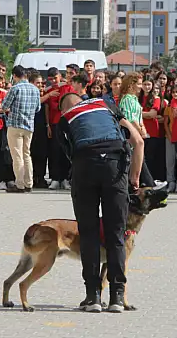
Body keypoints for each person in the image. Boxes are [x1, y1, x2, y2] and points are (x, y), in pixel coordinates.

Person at [56, 93, 144, 313]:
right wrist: (134, 176)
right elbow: (139, 141)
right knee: (116, 234)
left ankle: (92, 296)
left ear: (63, 109)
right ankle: (116, 297)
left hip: (85, 169)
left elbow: (71, 156)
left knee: (89, 234)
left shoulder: (64, 121)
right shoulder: (106, 105)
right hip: (115, 168)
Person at [1, 65, 42, 193]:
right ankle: (29, 182)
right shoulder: (35, 89)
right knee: (26, 154)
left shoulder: (15, 88)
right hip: (29, 126)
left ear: (14, 75)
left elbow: (4, 106)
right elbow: (38, 108)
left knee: (17, 155)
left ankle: (19, 184)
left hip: (15, 125)